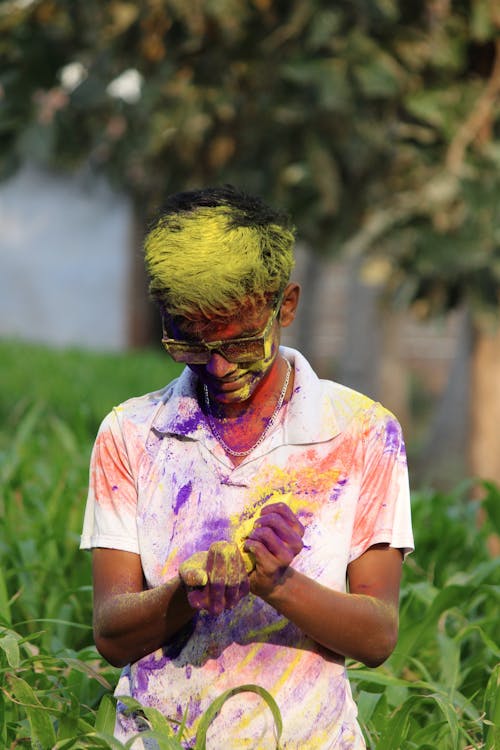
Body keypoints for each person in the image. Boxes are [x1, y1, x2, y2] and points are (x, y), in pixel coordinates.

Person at [80, 185, 414, 749]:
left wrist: (275, 582)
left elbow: (377, 635)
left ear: (286, 306)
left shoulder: (362, 433)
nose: (216, 367)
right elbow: (112, 634)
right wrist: (188, 592)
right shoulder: (131, 434)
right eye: (187, 344)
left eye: (237, 343)